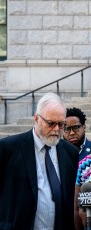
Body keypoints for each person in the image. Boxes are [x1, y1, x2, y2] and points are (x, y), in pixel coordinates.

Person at [0, 92, 78, 229]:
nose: (56, 129)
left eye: (61, 124)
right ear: (36, 119)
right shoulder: (9, 149)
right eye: (51, 123)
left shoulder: (70, 153)